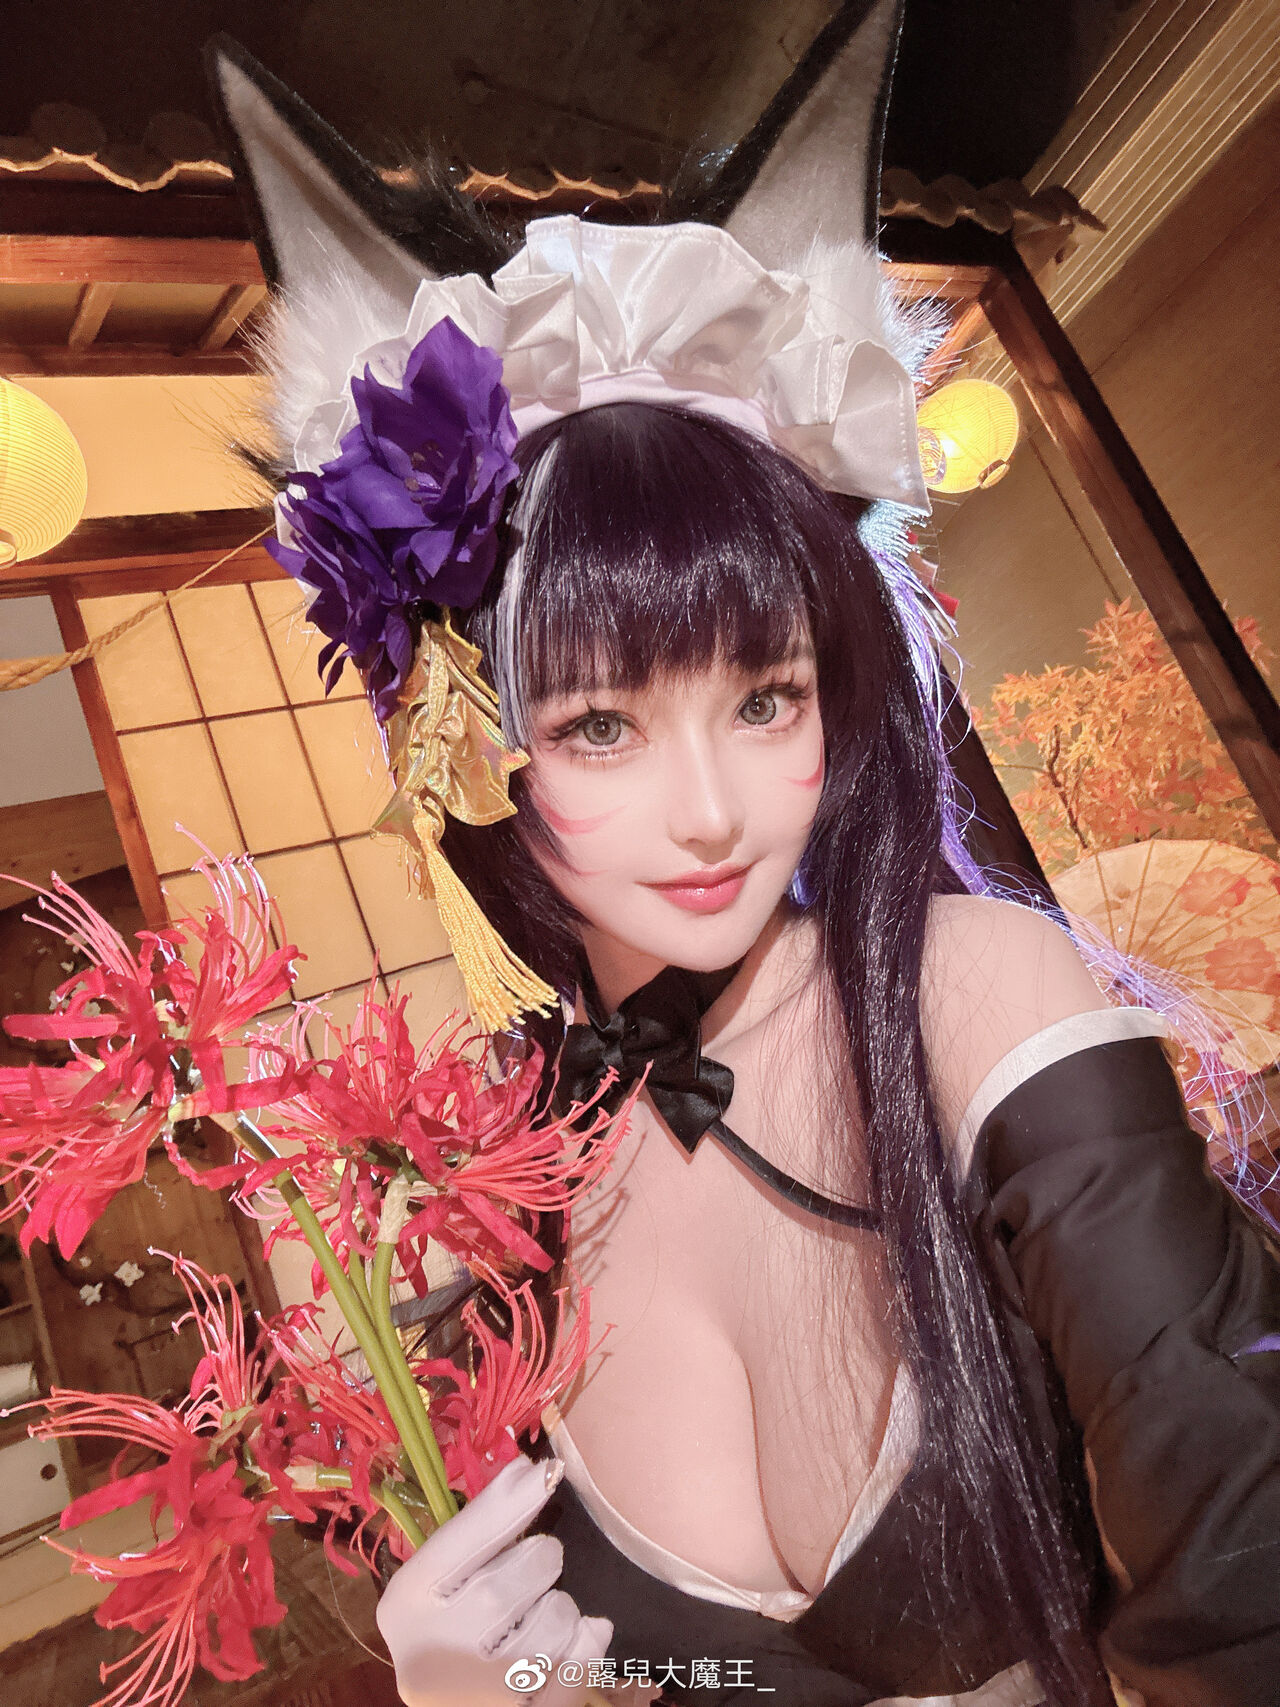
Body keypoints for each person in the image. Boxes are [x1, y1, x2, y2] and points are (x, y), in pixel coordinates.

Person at [207, 6, 1280, 1704]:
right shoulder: (511, 1161)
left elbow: (1246, 1565)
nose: (712, 811)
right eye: (601, 726)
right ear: (461, 742)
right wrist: (489, 1690)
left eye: (766, 698)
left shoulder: (968, 994)